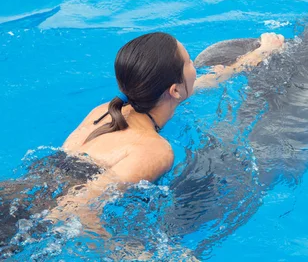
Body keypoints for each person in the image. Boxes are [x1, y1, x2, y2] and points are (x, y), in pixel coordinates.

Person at [0, 31, 284, 255]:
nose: (194, 66)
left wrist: (261, 55)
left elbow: (205, 81)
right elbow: (73, 210)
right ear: (173, 90)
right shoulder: (154, 149)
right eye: (189, 62)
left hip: (18, 191)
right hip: (23, 225)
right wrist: (130, 254)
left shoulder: (106, 110)